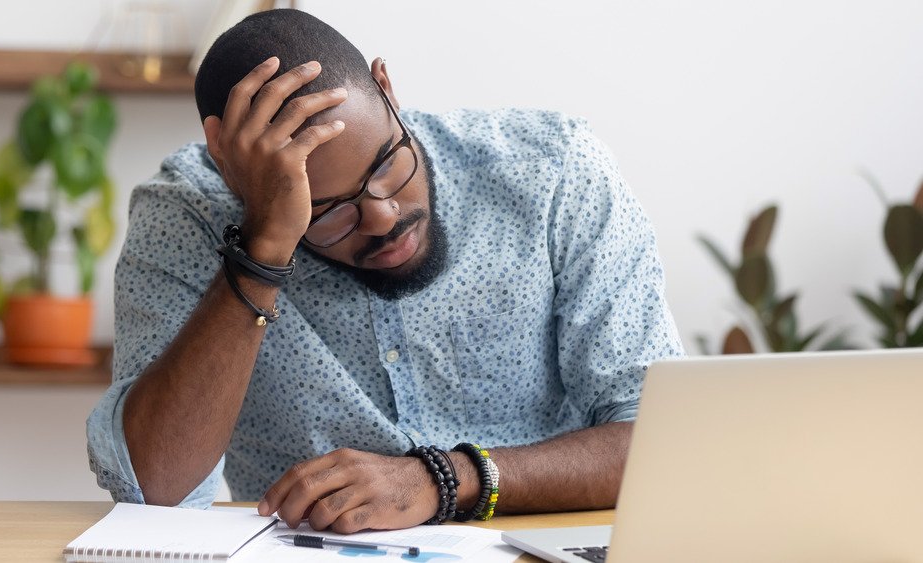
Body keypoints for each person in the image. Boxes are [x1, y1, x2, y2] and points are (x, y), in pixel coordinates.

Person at [87, 8, 683, 533]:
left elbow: (664, 442)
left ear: (387, 88)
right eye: (325, 212)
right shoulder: (186, 213)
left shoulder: (553, 173)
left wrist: (445, 479)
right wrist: (265, 242)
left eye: (387, 164)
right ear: (230, 172)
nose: (381, 216)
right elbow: (155, 486)